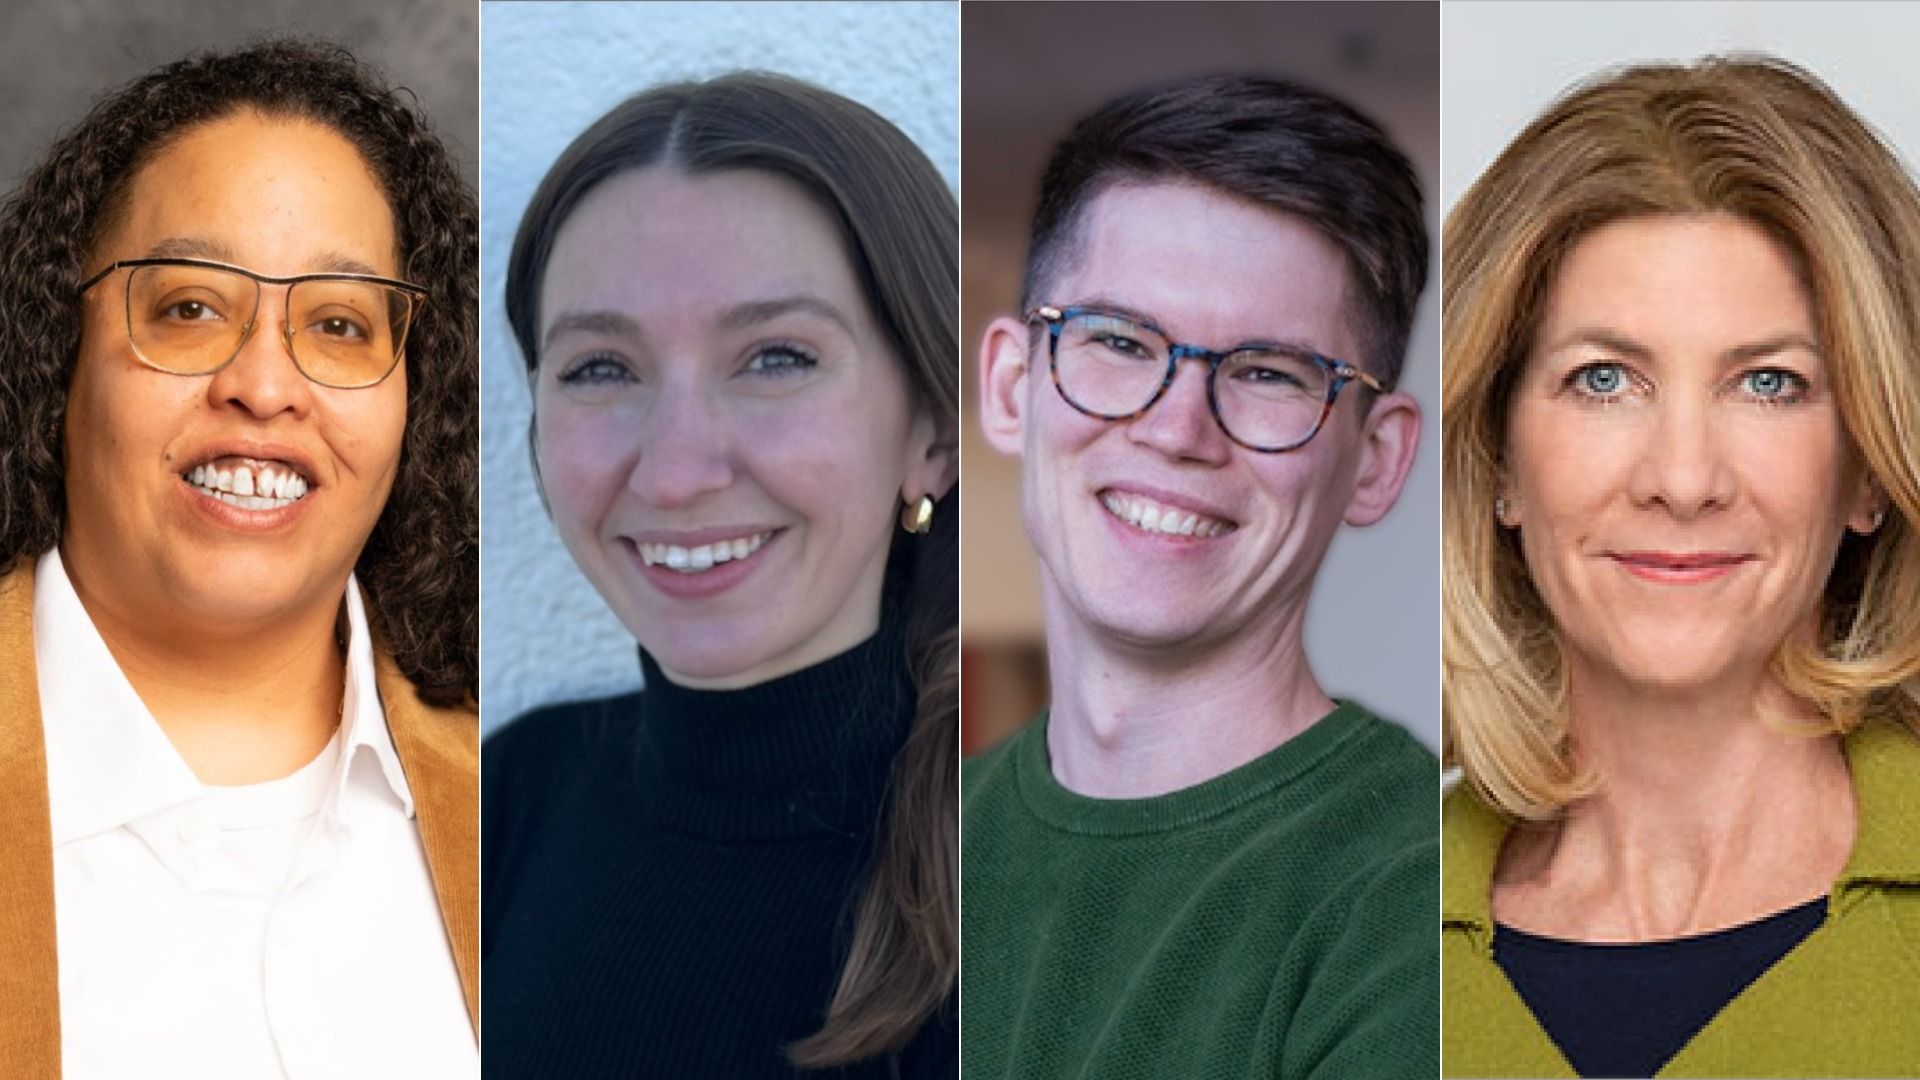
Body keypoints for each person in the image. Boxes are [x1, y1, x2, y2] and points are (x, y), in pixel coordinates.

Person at [0, 40, 479, 1077]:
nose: (265, 387)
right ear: (56, 350)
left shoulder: (527, 805)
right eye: (189, 308)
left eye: (341, 324)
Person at [1442, 56, 1920, 1078]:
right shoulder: (1345, 923)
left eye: (1769, 382)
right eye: (1603, 379)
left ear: (1868, 469)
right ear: (1498, 462)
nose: (1684, 477)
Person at [482, 73, 958, 1078]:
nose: (676, 472)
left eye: (776, 358)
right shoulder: (501, 802)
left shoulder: (1047, 878)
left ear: (933, 435)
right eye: (601, 368)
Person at [964, 73, 1437, 1078]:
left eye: (1268, 372)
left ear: (1378, 459)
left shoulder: (1420, 892)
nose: (1177, 430)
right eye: (1119, 343)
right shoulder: (906, 847)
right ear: (1011, 388)